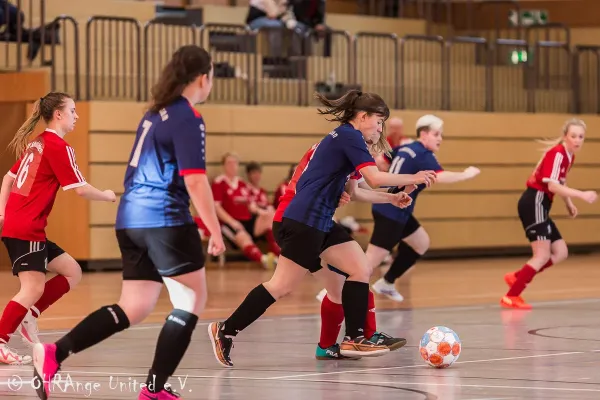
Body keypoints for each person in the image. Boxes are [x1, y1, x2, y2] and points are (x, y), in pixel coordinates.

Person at [32, 45, 225, 400]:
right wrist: (215, 230)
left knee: (133, 307)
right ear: (203, 77)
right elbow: (196, 180)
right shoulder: (187, 116)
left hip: (129, 218)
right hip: (163, 217)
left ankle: (54, 353)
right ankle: (154, 389)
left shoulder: (154, 113)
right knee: (191, 299)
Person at [208, 89, 437, 367]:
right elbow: (374, 178)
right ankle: (225, 329)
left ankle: (353, 338)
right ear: (362, 117)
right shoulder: (350, 136)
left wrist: (392, 197)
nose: (380, 128)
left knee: (358, 269)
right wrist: (416, 175)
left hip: (320, 221)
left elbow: (358, 190)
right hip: (304, 220)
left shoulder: (349, 140)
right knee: (281, 286)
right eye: (378, 122)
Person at [0, 92, 115, 366]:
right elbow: (79, 189)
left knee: (72, 271)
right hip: (25, 227)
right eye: (73, 111)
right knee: (32, 288)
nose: (77, 116)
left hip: (27, 225)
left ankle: (31, 315)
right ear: (59, 115)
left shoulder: (37, 143)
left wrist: (3, 212)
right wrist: (107, 195)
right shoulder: (56, 146)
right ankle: (1, 340)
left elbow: (8, 178)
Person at [366, 115, 480, 302]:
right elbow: (439, 177)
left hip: (394, 208)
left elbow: (382, 162)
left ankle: (387, 282)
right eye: (436, 134)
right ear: (424, 134)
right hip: (391, 212)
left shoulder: (406, 147)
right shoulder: (422, 154)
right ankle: (333, 291)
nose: (440, 139)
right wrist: (465, 175)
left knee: (421, 243)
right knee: (369, 262)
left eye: (441, 135)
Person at [501, 118, 598, 309]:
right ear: (565, 136)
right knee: (542, 255)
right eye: (573, 136)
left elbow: (559, 183)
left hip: (542, 204)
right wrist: (581, 195)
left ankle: (518, 276)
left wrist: (568, 203)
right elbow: (552, 185)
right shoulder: (558, 154)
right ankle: (511, 296)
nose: (577, 140)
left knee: (561, 252)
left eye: (581, 137)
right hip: (534, 201)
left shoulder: (569, 156)